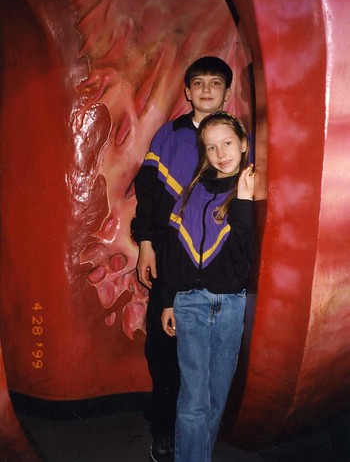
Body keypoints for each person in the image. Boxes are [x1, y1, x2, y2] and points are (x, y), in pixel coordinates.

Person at [132, 57, 233, 462]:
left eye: (215, 83)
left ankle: (202, 429)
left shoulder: (233, 136)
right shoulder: (169, 136)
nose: (207, 90)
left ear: (227, 93)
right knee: (164, 346)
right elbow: (150, 193)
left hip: (220, 260)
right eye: (198, 83)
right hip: (171, 256)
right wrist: (144, 243)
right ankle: (164, 429)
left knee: (213, 351)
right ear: (187, 92)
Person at [160, 111, 254, 462]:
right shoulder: (191, 192)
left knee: (216, 399)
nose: (221, 153)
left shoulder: (251, 188)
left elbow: (245, 255)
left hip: (231, 305)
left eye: (227, 143)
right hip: (191, 304)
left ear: (243, 143)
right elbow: (173, 249)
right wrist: (169, 300)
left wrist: (243, 200)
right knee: (194, 399)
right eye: (211, 147)